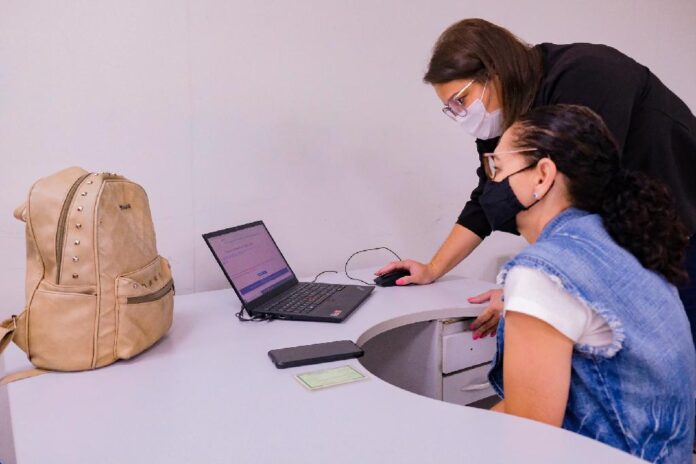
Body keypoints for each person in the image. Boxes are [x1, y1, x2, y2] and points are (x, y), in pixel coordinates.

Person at [375, 18, 696, 342]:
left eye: (461, 100)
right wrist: (433, 268)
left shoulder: (587, 74)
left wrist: (531, 290)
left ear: (494, 72)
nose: (460, 115)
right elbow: (487, 195)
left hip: (679, 225)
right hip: (625, 240)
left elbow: (581, 197)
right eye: (450, 109)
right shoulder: (507, 115)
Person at [480, 104, 695, 463]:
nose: (492, 182)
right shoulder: (623, 241)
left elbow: (528, 443)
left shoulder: (541, 274)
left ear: (542, 175)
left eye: (498, 168)